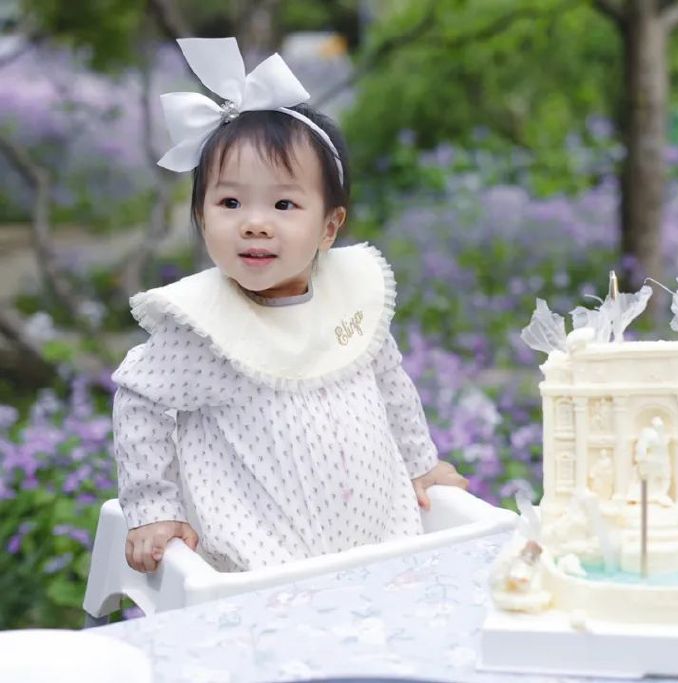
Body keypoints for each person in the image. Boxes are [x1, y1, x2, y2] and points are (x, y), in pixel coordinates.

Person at [112, 38, 466, 574]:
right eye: (230, 202)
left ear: (329, 227)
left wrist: (421, 464)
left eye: (283, 203)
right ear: (203, 218)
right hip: (259, 555)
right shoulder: (206, 328)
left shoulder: (348, 297)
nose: (255, 222)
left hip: (377, 535)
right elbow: (140, 400)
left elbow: (390, 384)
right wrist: (154, 508)